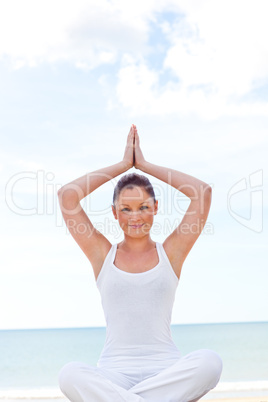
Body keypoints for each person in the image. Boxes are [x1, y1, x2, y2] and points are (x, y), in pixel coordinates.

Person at [57, 124, 223, 401]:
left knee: (210, 362)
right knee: (69, 374)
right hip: (113, 374)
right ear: (114, 213)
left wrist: (144, 165)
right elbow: (67, 197)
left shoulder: (171, 253)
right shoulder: (102, 255)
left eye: (144, 207)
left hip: (166, 371)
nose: (135, 216)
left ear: (156, 208)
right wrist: (123, 165)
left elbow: (202, 193)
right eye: (126, 208)